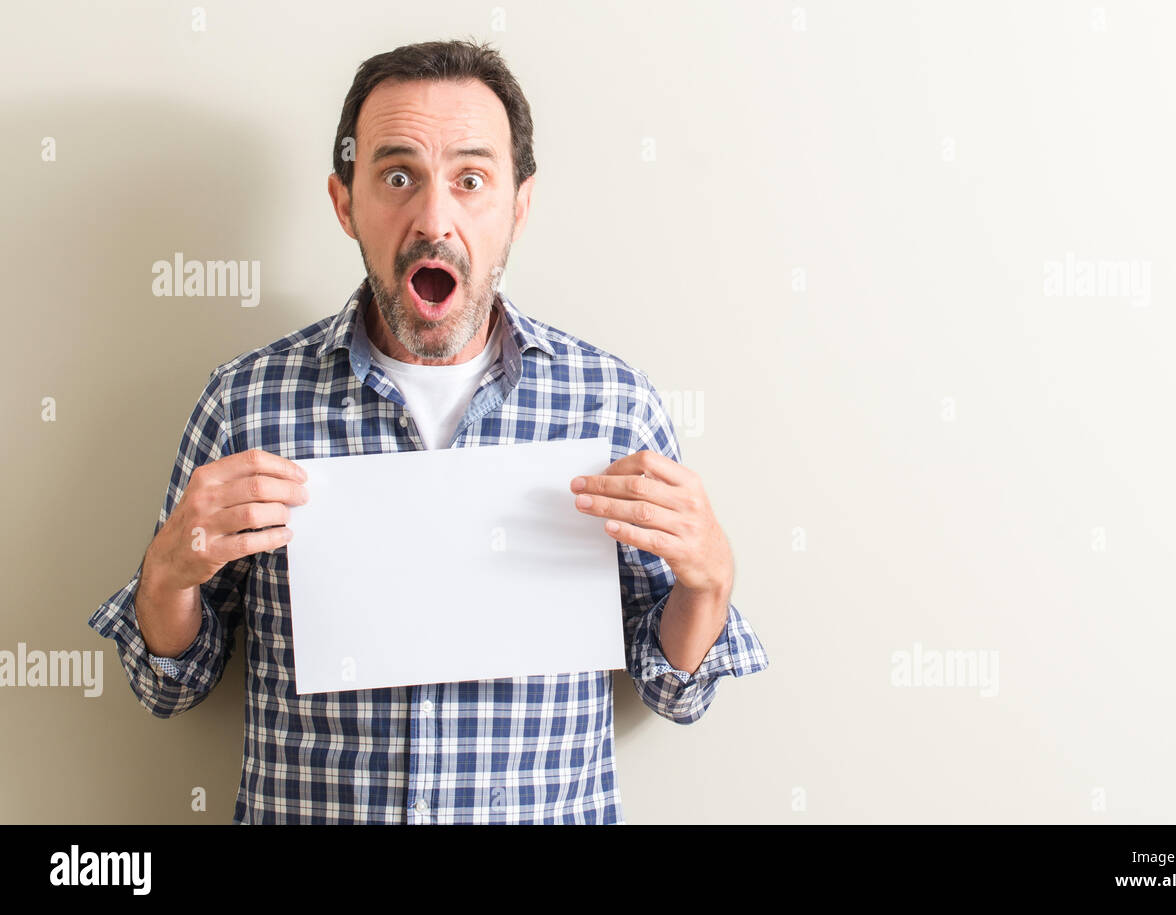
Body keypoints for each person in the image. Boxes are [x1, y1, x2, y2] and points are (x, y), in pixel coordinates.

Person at [89, 38, 768, 824]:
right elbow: (170, 683)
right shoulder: (246, 402)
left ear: (518, 204)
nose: (434, 218)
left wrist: (708, 579)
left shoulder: (611, 405)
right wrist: (166, 575)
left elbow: (673, 688)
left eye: (471, 179)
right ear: (346, 203)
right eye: (398, 176)